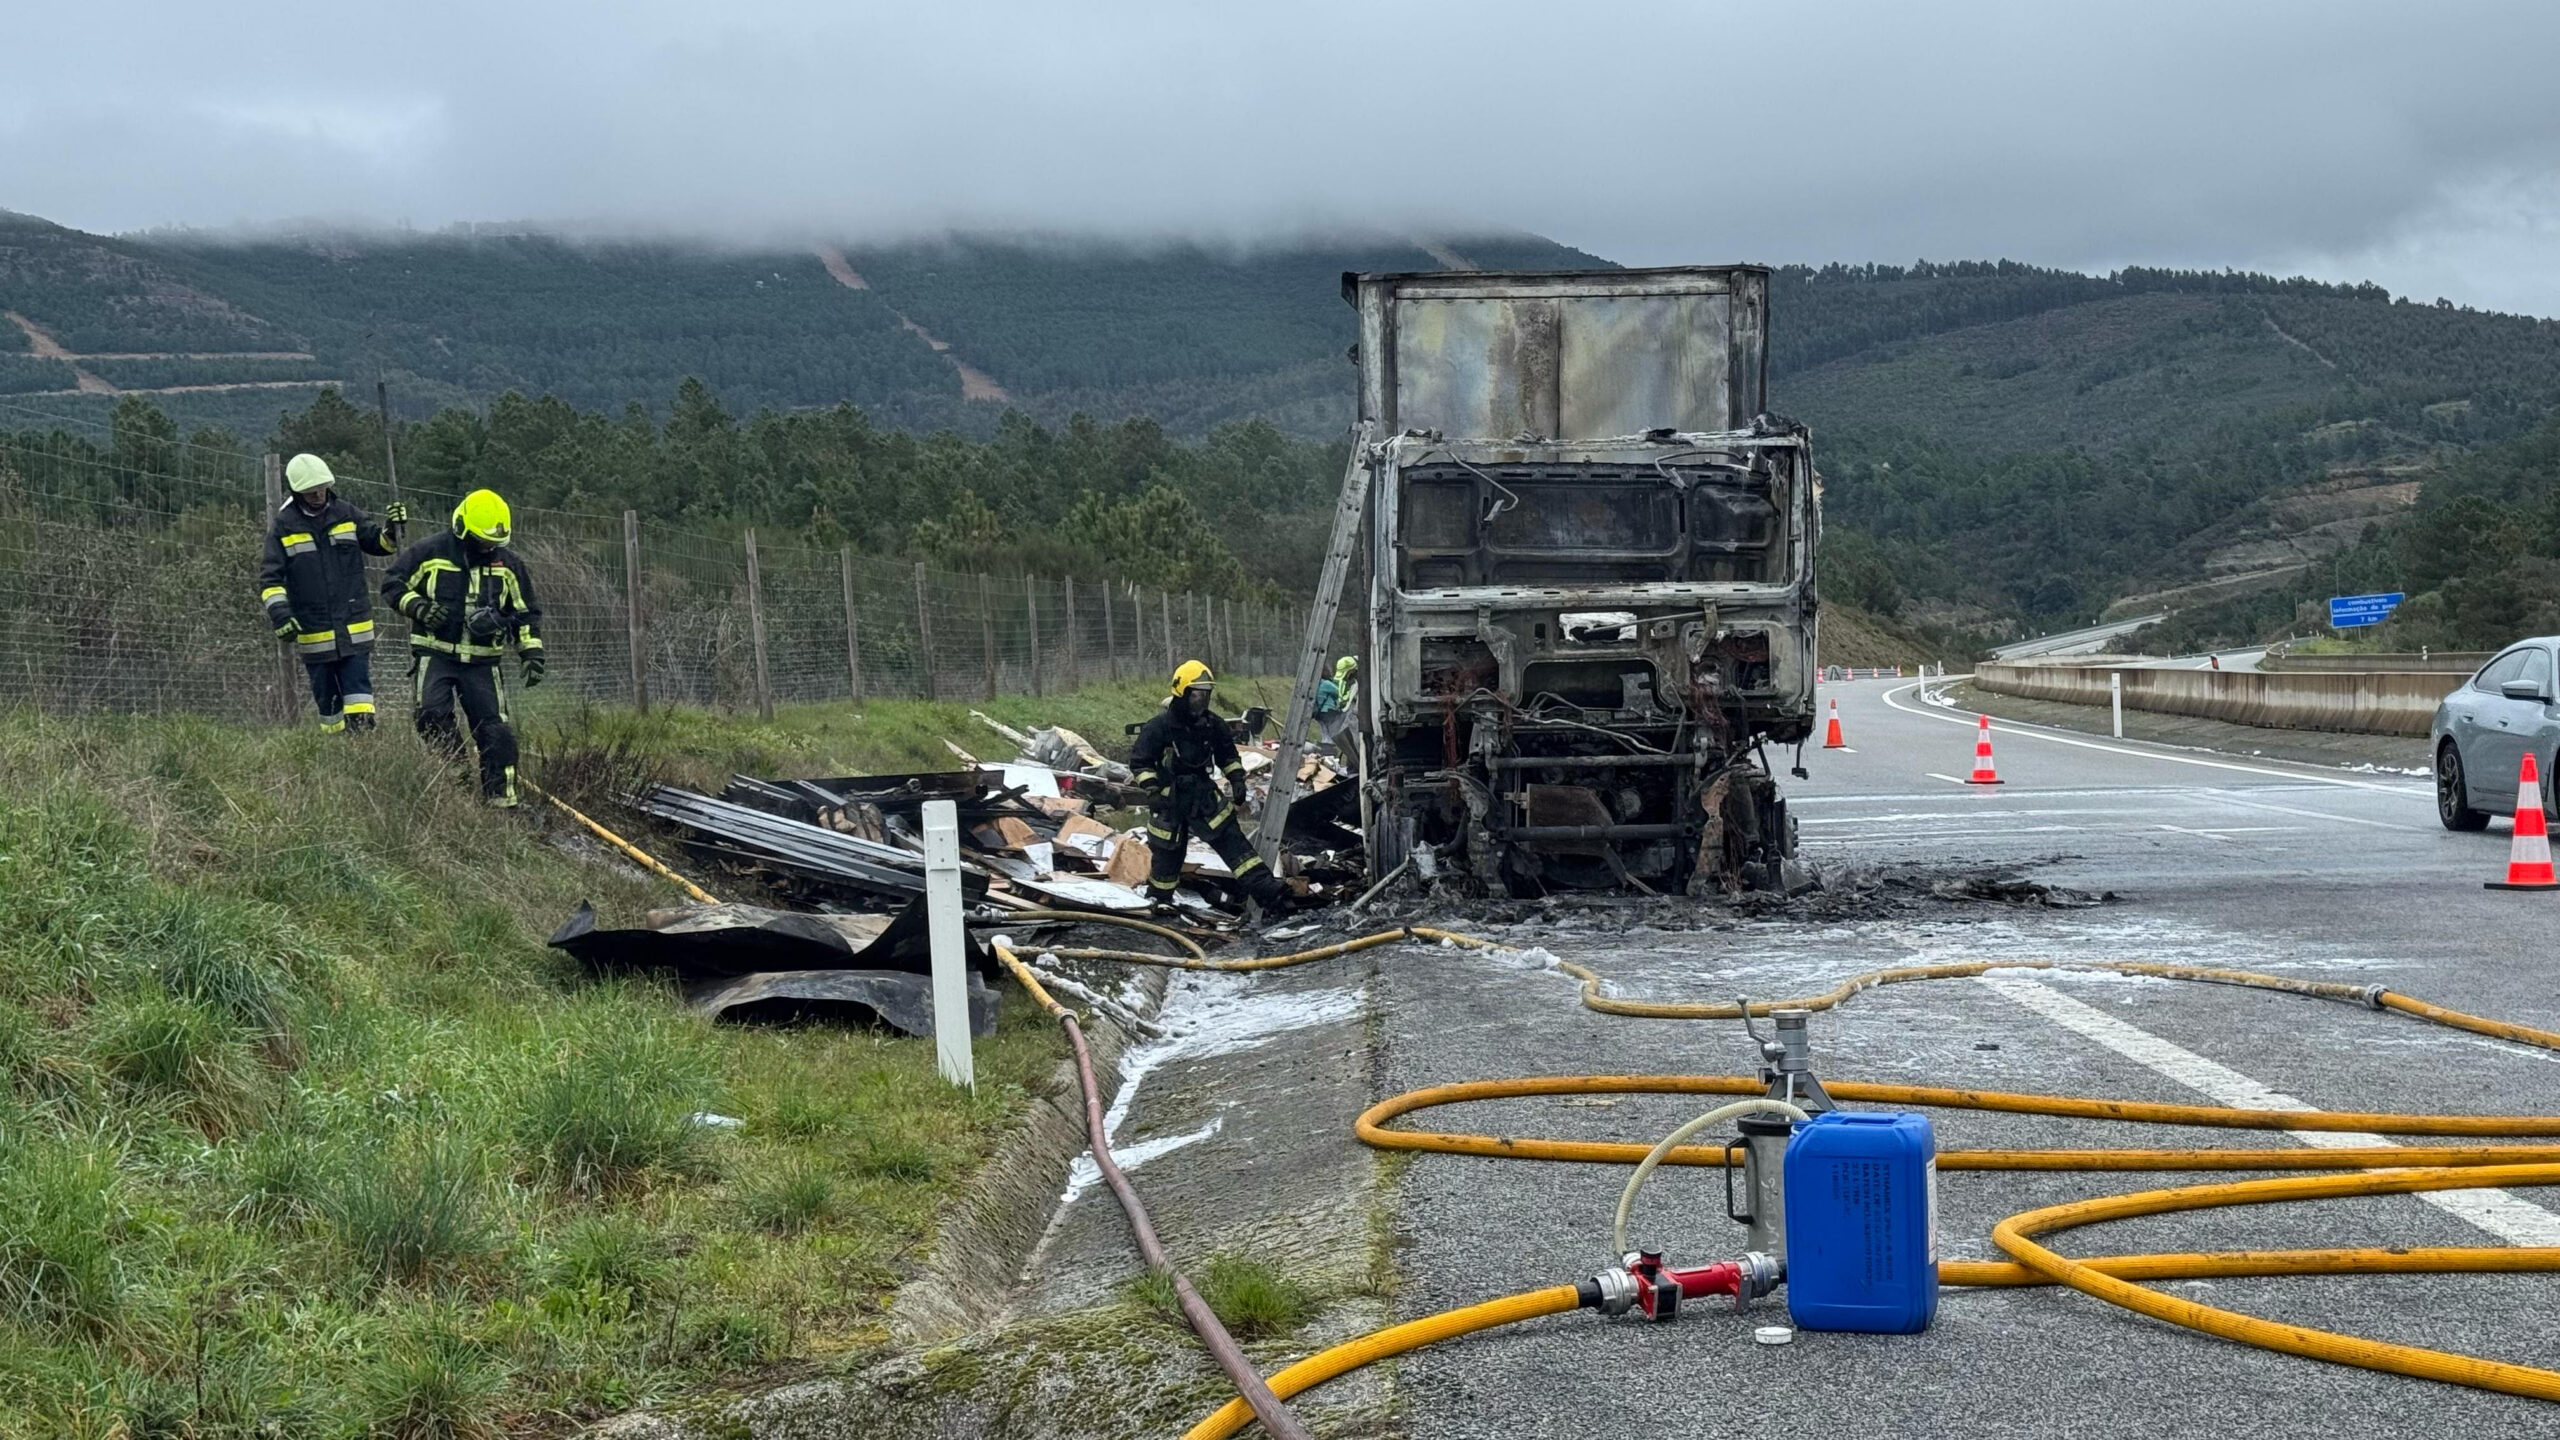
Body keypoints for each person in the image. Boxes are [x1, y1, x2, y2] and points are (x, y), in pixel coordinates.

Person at [381, 489, 544, 807]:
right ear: (462, 529)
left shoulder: (509, 565)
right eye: (483, 541)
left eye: (494, 543)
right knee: (430, 714)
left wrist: (531, 652)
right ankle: (456, 781)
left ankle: (502, 802)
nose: (489, 547)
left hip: (484, 662)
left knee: (496, 732)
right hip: (435, 653)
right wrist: (420, 609)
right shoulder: (429, 552)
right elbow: (392, 584)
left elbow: (525, 612)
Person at [258, 453, 406, 733]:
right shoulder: (284, 526)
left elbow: (380, 545)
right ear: (297, 492)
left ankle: (362, 743)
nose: (318, 495)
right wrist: (280, 615)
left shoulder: (346, 513)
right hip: (315, 631)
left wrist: (392, 529)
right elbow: (270, 578)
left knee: (359, 698)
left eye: (322, 488)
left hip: (354, 627)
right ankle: (337, 752)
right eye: (311, 491)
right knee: (329, 706)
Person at [1131, 660, 1291, 920]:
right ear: (1181, 693)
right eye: (1196, 694)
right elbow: (1140, 762)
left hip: (1203, 796)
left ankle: (1272, 896)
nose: (1201, 701)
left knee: (1236, 848)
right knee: (1166, 858)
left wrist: (1237, 779)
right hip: (1169, 802)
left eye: (1205, 695)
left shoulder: (1213, 724)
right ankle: (1160, 905)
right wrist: (1152, 790)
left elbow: (1227, 755)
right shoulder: (1158, 727)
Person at [1312, 653, 1359, 772]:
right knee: (1335, 734)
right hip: (1329, 711)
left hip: (1320, 714)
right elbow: (1337, 692)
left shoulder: (1317, 685)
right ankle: (1331, 755)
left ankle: (1327, 756)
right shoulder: (1327, 684)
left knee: (1326, 734)